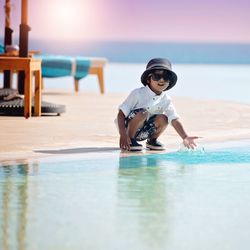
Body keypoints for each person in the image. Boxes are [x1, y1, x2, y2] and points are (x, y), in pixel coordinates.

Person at [116, 58, 199, 151]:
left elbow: (174, 119)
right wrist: (123, 135)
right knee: (144, 112)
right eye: (157, 76)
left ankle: (152, 141)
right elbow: (121, 114)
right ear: (148, 79)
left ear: (169, 82)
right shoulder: (138, 93)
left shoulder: (166, 99)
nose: (162, 80)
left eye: (166, 77)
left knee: (164, 118)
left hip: (146, 131)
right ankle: (130, 140)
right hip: (128, 128)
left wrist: (185, 137)